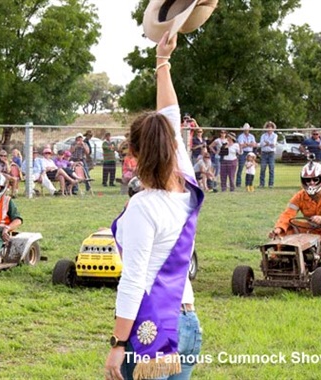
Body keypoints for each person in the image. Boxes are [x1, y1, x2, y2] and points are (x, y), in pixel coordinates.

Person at [105, 30, 202, 380]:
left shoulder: (143, 207)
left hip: (153, 328)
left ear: (134, 155)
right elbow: (170, 117)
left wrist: (118, 343)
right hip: (188, 321)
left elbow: (132, 280)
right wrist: (163, 62)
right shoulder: (188, 186)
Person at [268, 161, 321, 270]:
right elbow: (288, 214)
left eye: (315, 179)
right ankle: (277, 258)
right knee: (290, 225)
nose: (311, 183)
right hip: (310, 229)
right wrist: (278, 228)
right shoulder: (300, 195)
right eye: (308, 180)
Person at [258, 121, 277, 188]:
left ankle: (271, 184)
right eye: (268, 127)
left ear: (272, 128)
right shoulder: (263, 135)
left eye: (270, 127)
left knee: (271, 169)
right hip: (264, 153)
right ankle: (261, 184)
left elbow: (273, 144)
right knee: (263, 168)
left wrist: (267, 143)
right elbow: (261, 144)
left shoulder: (275, 135)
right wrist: (268, 144)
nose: (269, 129)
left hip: (271, 153)